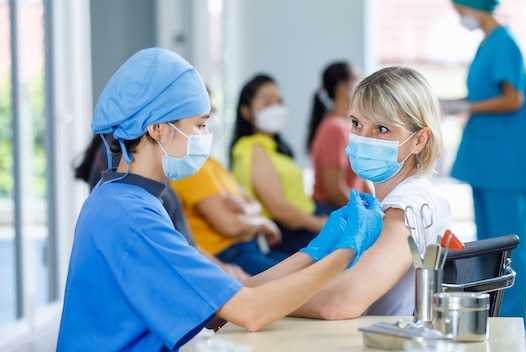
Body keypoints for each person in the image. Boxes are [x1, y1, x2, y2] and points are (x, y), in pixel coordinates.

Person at [57, 47, 383, 351]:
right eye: (198, 124)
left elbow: (223, 301)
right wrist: (345, 252)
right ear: (157, 127)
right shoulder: (131, 217)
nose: (204, 137)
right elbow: (251, 311)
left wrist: (315, 252)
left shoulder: (125, 199)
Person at [290, 66, 451, 319]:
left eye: (382, 129)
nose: (363, 137)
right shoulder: (393, 199)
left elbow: (340, 301)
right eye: (356, 123)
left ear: (419, 140)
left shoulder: (407, 204)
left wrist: (258, 301)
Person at [444, 0, 526, 325]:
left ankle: (511, 321)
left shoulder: (504, 43)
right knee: (490, 246)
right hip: (487, 161)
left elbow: (513, 98)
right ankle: (493, 317)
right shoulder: (489, 43)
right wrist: (453, 103)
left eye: (457, 7)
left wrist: (466, 108)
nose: (457, 13)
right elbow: (482, 95)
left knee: (511, 247)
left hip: (504, 163)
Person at [73, 133, 250, 281]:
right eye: (199, 123)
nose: (203, 132)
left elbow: (182, 240)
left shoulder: (155, 166)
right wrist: (218, 273)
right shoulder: (123, 166)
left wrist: (218, 269)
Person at [170, 90, 288, 275]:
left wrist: (248, 211)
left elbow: (253, 204)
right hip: (229, 255)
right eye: (207, 114)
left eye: (215, 111)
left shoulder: (213, 164)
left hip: (248, 248)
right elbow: (230, 225)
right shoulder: (192, 168)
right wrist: (262, 223)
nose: (213, 119)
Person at [229, 74, 328, 255]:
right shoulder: (254, 148)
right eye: (267, 103)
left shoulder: (273, 148)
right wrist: (320, 225)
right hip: (288, 233)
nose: (276, 107)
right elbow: (279, 210)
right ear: (246, 111)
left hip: (304, 223)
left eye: (279, 101)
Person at [307, 62, 370, 214]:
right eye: (358, 79)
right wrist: (363, 214)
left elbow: (359, 181)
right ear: (343, 87)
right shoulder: (334, 129)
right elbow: (334, 190)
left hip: (347, 208)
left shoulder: (347, 126)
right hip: (332, 213)